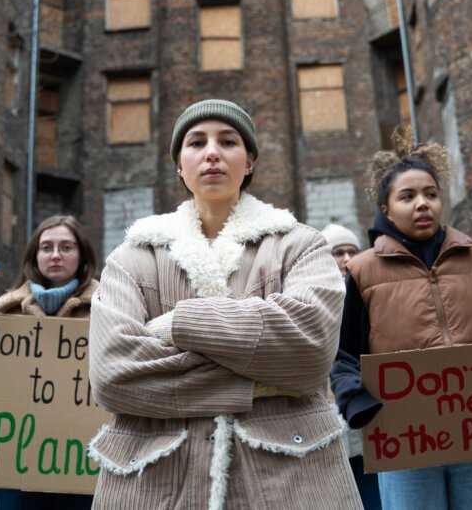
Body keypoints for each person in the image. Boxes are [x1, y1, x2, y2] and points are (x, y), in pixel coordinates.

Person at [88, 99, 362, 509]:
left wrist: (179, 323)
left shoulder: (300, 244)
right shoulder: (131, 258)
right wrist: (265, 379)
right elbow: (112, 375)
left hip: (292, 479)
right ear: (180, 166)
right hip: (156, 480)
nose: (212, 152)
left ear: (249, 161)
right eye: (196, 142)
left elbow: (310, 354)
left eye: (228, 141)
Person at [330, 129, 472, 510]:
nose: (422, 204)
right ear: (385, 208)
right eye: (408, 196)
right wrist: (356, 401)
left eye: (430, 194)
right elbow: (343, 355)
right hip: (404, 443)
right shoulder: (363, 271)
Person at [0, 215, 100, 510]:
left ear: (82, 255)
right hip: (18, 475)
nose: (55, 255)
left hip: (86, 472)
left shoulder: (108, 310)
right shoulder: (7, 315)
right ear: (34, 255)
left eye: (66, 247)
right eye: (46, 247)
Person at [322, 223, 383, 510]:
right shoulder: (314, 304)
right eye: (338, 252)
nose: (347, 259)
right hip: (329, 419)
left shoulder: (372, 301)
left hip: (369, 416)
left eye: (352, 251)